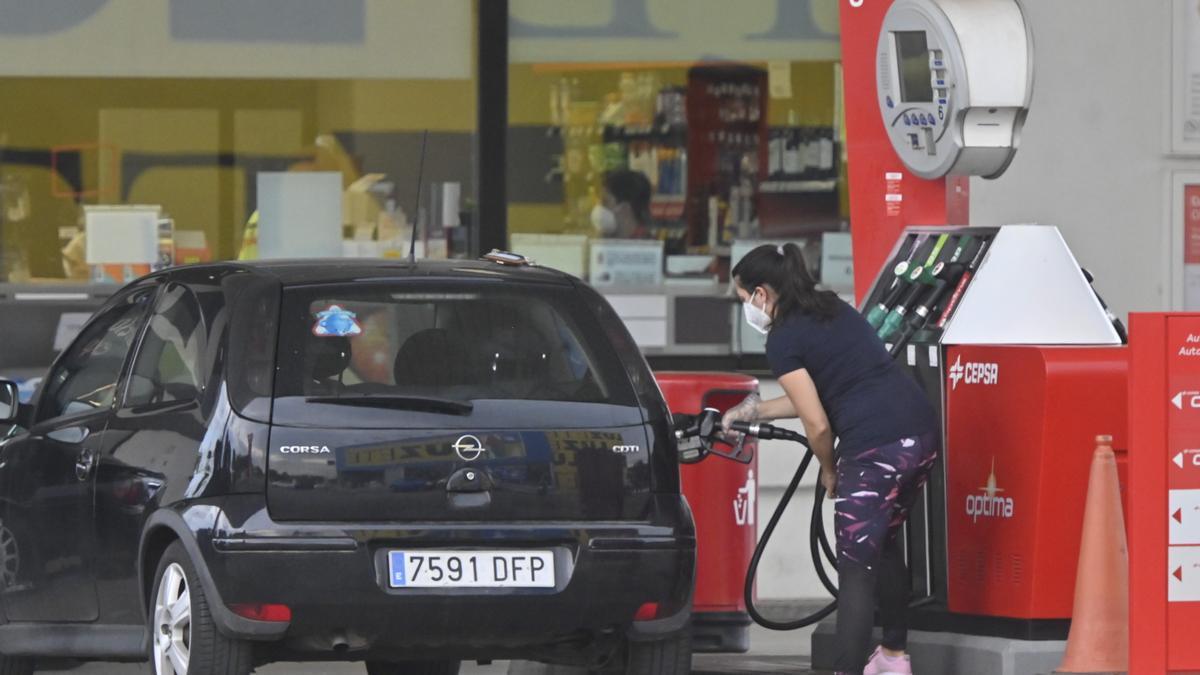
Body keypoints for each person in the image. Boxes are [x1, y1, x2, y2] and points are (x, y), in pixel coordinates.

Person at [722, 243, 939, 675]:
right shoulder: (829, 308)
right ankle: (894, 657)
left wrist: (828, 469)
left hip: (874, 447)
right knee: (885, 541)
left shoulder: (782, 339)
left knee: (855, 569)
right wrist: (754, 410)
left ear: (763, 294)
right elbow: (823, 391)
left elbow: (817, 424)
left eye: (744, 299)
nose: (746, 308)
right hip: (918, 433)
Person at [590, 169, 652, 238]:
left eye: (605, 202)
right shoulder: (605, 243)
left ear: (625, 209)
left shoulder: (645, 246)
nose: (599, 208)